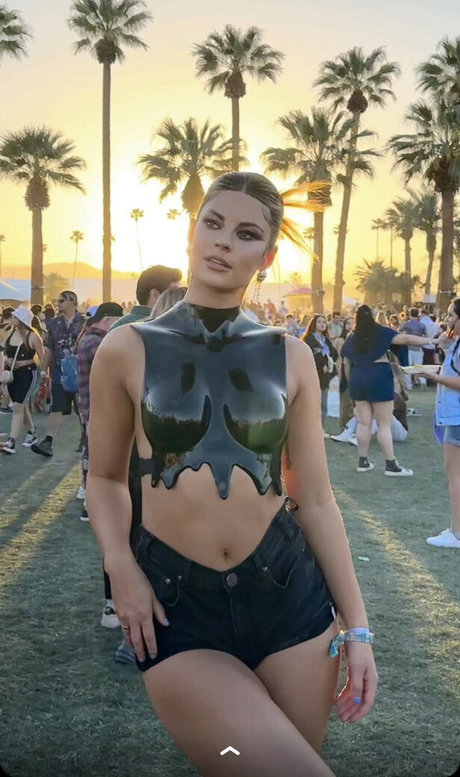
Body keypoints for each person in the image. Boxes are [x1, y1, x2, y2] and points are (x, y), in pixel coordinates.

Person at [87, 172, 378, 777]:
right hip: (177, 607)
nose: (223, 241)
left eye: (246, 234)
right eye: (213, 223)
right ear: (191, 233)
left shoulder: (290, 355)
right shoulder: (126, 347)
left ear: (265, 258)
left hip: (290, 600)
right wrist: (119, 566)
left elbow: (315, 500)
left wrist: (358, 628)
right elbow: (108, 478)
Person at [341, 304, 436, 476]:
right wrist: (431, 341)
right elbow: (405, 339)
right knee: (383, 424)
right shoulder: (381, 331)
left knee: (363, 423)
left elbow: (346, 363)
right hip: (379, 375)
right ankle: (391, 464)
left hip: (358, 377)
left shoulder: (352, 336)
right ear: (372, 316)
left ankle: (362, 462)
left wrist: (350, 383)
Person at [417, 299, 460, 548]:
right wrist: (446, 347)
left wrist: (432, 377)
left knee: (455, 476)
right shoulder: (456, 343)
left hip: (456, 417)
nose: (447, 319)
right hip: (454, 415)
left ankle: (456, 533)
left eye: (451, 315)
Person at [77, 302, 123, 525]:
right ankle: (90, 506)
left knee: (91, 454)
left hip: (88, 405)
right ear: (107, 319)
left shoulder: (88, 337)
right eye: (117, 322)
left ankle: (86, 494)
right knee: (98, 458)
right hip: (96, 407)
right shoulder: (97, 343)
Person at [31, 291, 85, 458]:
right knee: (57, 408)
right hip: (59, 375)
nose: (58, 303)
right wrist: (43, 369)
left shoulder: (84, 323)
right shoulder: (55, 323)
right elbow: (49, 348)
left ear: (72, 301)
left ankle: (86, 440)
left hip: (81, 374)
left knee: (83, 410)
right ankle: (48, 442)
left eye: (61, 300)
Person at [0, 306, 44, 454]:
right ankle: (32, 433)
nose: (12, 318)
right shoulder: (11, 333)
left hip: (27, 374)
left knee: (18, 406)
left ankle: (12, 442)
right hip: (13, 375)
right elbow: (6, 353)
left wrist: (28, 362)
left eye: (15, 317)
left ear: (21, 320)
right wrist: (8, 360)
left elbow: (42, 357)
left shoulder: (33, 336)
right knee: (21, 405)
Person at [110, 265, 182, 330]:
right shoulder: (164, 327)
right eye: (173, 293)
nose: (180, 297)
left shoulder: (119, 327)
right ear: (155, 295)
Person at [303, 315, 338, 437]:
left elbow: (335, 354)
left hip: (325, 376)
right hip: (313, 375)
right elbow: (307, 355)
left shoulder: (325, 340)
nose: (322, 324)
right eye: (319, 322)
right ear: (314, 324)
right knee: (313, 404)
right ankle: (310, 429)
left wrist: (328, 358)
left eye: (324, 322)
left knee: (323, 404)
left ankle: (320, 429)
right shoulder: (309, 339)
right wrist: (321, 362)